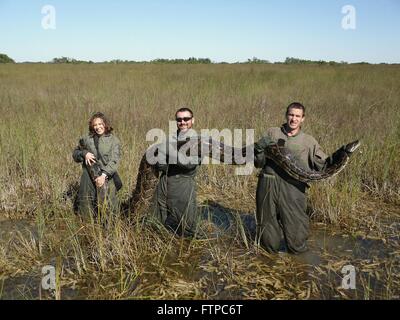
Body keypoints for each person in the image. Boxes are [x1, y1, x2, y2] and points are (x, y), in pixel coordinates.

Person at [254, 102, 329, 254]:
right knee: (267, 234)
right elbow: (258, 163)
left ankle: (297, 266)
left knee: (296, 236)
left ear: (303, 119)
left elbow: (324, 166)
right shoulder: (272, 133)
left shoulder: (309, 141)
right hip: (268, 184)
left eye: (297, 116)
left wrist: (341, 156)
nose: (293, 119)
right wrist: (258, 149)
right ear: (286, 115)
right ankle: (270, 263)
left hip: (293, 189)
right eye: (291, 115)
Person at [150, 107, 202, 237]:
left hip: (182, 183)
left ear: (193, 120)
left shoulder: (199, 141)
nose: (182, 122)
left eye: (186, 119)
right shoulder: (170, 138)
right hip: (164, 181)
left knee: (188, 227)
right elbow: (160, 164)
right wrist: (160, 161)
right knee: (155, 219)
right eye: (179, 119)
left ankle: (189, 252)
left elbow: (189, 164)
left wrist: (168, 150)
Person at [72, 112, 121, 217]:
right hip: (88, 175)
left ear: (105, 124)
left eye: (100, 124)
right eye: (95, 125)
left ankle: (108, 230)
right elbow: (75, 154)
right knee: (86, 202)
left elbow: (114, 161)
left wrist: (103, 176)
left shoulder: (114, 141)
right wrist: (84, 154)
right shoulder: (86, 139)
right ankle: (87, 226)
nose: (98, 127)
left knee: (110, 207)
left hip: (107, 175)